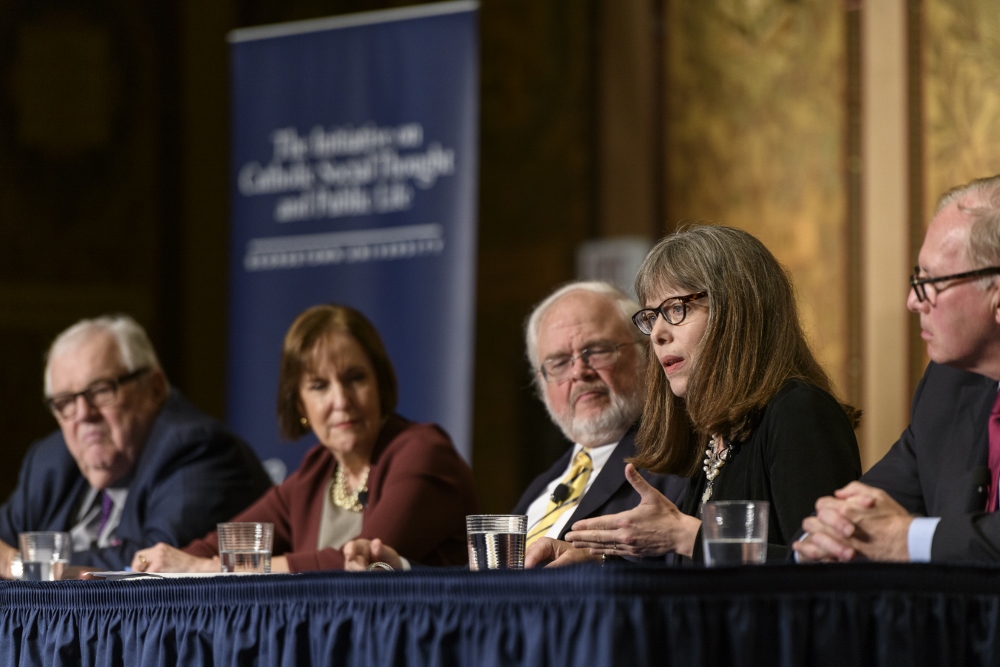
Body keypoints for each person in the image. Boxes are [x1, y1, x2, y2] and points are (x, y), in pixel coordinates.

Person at [562, 225, 862, 563]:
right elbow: (701, 579)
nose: (658, 333)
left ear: (736, 310)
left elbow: (827, 569)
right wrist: (596, 559)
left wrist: (685, 535)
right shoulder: (717, 432)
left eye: (677, 309)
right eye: (651, 316)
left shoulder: (799, 413)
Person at [342, 282, 686, 571]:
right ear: (542, 384)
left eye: (596, 351)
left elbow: (684, 570)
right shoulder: (547, 483)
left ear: (646, 354)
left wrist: (600, 561)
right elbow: (489, 586)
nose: (579, 372)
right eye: (559, 362)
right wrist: (399, 568)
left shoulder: (674, 457)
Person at [132, 304, 478, 573]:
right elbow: (221, 546)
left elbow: (362, 563)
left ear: (380, 384)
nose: (341, 401)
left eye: (355, 378)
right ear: (300, 403)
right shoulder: (316, 473)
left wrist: (209, 570)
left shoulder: (423, 453)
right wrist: (161, 563)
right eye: (319, 386)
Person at [794, 174, 1000, 564]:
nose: (912, 301)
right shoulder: (947, 387)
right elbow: (866, 506)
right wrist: (825, 535)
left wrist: (911, 540)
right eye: (915, 278)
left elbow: (898, 536)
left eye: (931, 281)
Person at [0, 315, 272, 577]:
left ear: (154, 388)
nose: (83, 414)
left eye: (101, 390)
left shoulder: (198, 449)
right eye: (65, 403)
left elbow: (153, 565)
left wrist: (21, 566)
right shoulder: (50, 460)